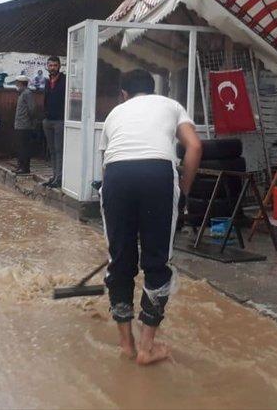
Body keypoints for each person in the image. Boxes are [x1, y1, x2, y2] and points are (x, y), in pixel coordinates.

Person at [99, 69, 202, 365]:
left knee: (120, 260)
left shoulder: (115, 113)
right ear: (153, 89)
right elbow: (194, 146)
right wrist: (181, 190)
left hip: (117, 177)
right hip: (157, 175)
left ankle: (126, 344)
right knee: (157, 261)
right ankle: (147, 348)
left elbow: (106, 168)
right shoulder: (171, 105)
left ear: (124, 94)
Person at [41, 56, 66, 188]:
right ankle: (54, 175)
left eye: (55, 65)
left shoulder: (64, 81)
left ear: (59, 66)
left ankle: (59, 178)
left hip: (60, 121)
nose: (52, 68)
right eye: (50, 65)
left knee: (59, 149)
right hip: (48, 120)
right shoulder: (47, 81)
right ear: (47, 66)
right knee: (51, 150)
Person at [12, 75, 34, 175]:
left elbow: (32, 109)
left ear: (21, 83)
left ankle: (25, 168)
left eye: (17, 83)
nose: (16, 85)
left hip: (25, 125)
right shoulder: (21, 93)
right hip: (19, 125)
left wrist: (30, 121)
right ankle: (20, 166)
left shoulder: (27, 93)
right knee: (20, 147)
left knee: (24, 147)